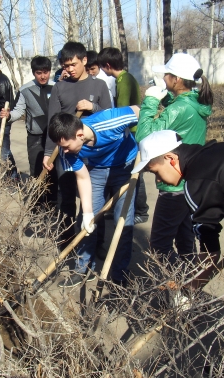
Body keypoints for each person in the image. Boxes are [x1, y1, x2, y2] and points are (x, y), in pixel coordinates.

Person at [132, 131, 224, 378]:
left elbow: (211, 256)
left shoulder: (196, 185)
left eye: (155, 172)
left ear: (170, 158)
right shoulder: (211, 152)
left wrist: (189, 290)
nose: (158, 179)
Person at [48, 106, 140, 287]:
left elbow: (138, 111)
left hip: (125, 167)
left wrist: (146, 138)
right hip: (96, 170)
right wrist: (89, 212)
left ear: (80, 135)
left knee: (123, 220)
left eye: (66, 146)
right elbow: (82, 177)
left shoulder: (110, 121)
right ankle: (84, 269)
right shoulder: (66, 151)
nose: (63, 151)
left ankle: (120, 274)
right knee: (86, 220)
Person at [135, 53, 213, 262]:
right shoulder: (194, 102)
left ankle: (172, 286)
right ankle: (187, 285)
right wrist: (167, 95)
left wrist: (151, 100)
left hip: (173, 187)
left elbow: (144, 137)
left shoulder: (180, 108)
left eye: (167, 75)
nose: (165, 78)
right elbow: (178, 106)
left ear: (176, 79)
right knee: (185, 239)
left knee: (160, 245)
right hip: (189, 184)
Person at [43, 41, 112, 246]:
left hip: (92, 151)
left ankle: (96, 242)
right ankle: (67, 240)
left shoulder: (99, 85)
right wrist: (48, 152)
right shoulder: (59, 87)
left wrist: (93, 106)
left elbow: (109, 116)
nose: (69, 69)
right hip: (64, 153)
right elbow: (52, 123)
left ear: (84, 60)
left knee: (93, 200)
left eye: (73, 64)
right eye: (65, 66)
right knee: (66, 199)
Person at [98, 47, 148, 224]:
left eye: (102, 67)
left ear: (108, 65)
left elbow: (122, 113)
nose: (102, 71)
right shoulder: (124, 78)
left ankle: (140, 211)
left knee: (134, 174)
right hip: (132, 132)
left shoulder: (124, 81)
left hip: (133, 134)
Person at [0, 56, 55, 180]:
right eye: (39, 73)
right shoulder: (25, 90)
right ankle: (38, 198)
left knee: (54, 170)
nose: (43, 76)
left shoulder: (57, 87)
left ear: (50, 71)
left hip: (54, 136)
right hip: (35, 138)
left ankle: (54, 200)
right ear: (33, 72)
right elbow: (18, 111)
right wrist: (9, 116)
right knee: (36, 170)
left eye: (45, 72)